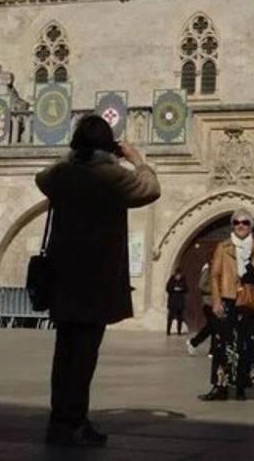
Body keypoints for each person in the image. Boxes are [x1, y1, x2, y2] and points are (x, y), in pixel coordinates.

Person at [35, 115, 160, 447]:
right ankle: (74, 422)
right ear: (110, 147)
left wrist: (72, 156)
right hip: (96, 277)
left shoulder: (62, 175)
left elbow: (41, 177)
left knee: (65, 353)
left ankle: (60, 420)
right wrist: (136, 160)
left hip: (63, 274)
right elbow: (151, 188)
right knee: (84, 355)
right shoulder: (113, 177)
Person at [201, 210, 254, 402]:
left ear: (251, 226)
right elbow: (214, 276)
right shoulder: (223, 247)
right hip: (227, 299)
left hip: (249, 301)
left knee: (246, 345)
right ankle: (220, 386)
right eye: (237, 222)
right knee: (222, 345)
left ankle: (241, 386)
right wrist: (216, 300)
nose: (241, 225)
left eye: (245, 222)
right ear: (232, 225)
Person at [187, 262, 214, 356]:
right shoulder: (207, 270)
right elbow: (201, 285)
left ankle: (212, 350)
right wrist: (213, 289)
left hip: (216, 303)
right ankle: (194, 342)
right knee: (212, 326)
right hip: (208, 303)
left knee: (214, 327)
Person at [165, 267, 188, 336]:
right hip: (172, 302)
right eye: (177, 275)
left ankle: (179, 331)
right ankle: (168, 331)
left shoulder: (183, 280)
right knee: (170, 317)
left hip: (180, 302)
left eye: (179, 275)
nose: (178, 276)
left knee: (180, 317)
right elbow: (168, 288)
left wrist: (181, 288)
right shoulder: (171, 279)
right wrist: (174, 288)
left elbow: (186, 289)